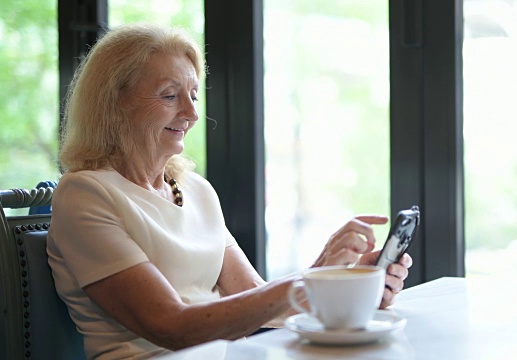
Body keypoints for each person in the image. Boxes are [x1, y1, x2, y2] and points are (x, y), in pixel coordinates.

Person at [47, 23, 412, 360]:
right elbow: (173, 327)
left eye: (193, 94)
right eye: (170, 95)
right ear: (115, 103)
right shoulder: (85, 193)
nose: (191, 112)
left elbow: (262, 308)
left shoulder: (197, 191)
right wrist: (313, 276)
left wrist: (347, 287)